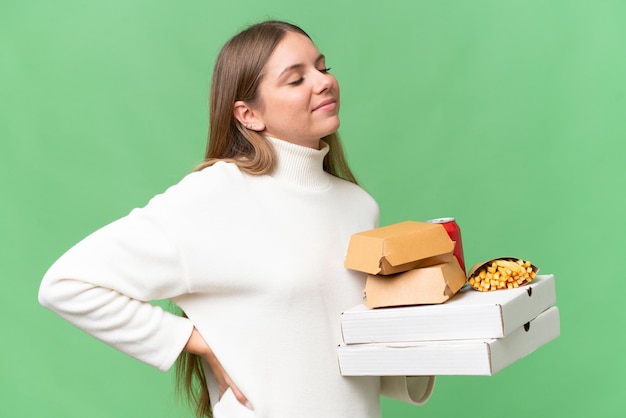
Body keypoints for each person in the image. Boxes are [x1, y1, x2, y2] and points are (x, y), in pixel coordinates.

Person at [38, 20, 435, 418]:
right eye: (296, 79)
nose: (323, 82)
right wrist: (193, 339)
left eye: (323, 68)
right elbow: (67, 283)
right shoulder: (215, 196)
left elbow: (343, 353)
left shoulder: (359, 205)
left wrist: (440, 324)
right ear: (248, 115)